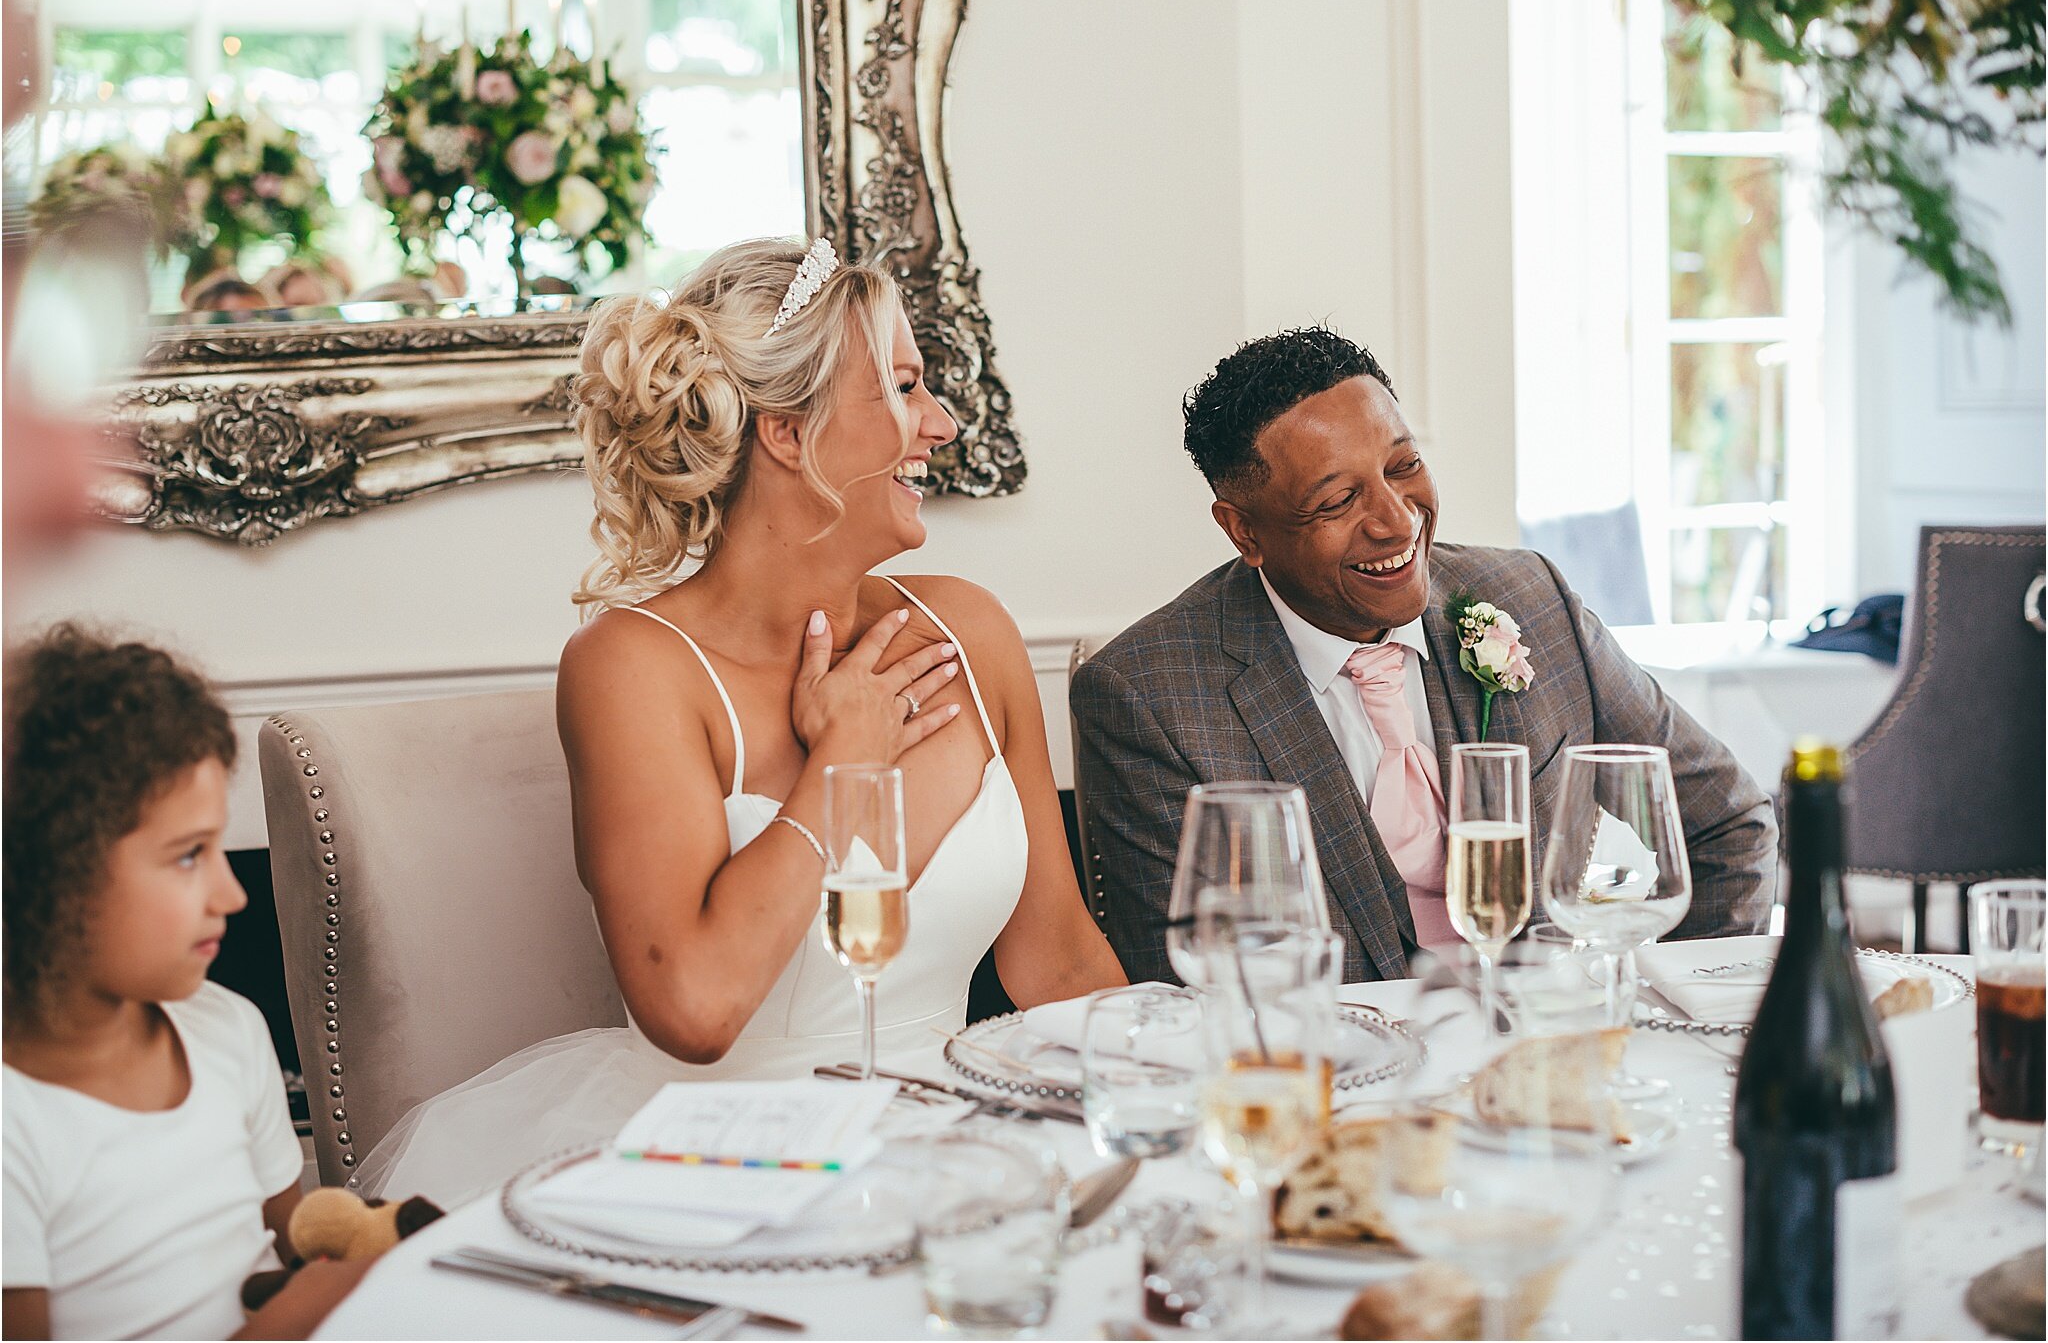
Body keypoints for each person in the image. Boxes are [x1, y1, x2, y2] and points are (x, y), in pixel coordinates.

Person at [356, 237, 1126, 1206]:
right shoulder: (631, 669)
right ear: (787, 435)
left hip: (958, 1155)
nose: (938, 421)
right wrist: (842, 764)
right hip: (727, 1176)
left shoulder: (966, 630)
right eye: (899, 388)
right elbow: (697, 1006)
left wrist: (1174, 1109)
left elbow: (1056, 962)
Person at [1070, 326, 1778, 984]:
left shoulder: (1531, 598)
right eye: (1339, 499)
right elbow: (1188, 992)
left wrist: (1667, 1017)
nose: (1397, 519)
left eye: (1403, 465)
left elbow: (1727, 822)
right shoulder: (1144, 699)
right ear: (1243, 531)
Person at [2, 627, 371, 1340]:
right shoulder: (16, 1123)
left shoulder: (228, 1028)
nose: (233, 894)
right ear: (49, 875)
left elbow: (292, 1255)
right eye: (187, 856)